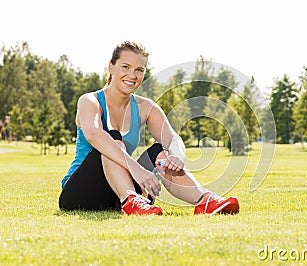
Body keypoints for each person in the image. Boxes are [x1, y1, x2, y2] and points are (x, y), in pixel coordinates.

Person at [59, 41, 239, 215]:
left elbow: (172, 138)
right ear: (111, 66)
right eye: (125, 67)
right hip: (80, 193)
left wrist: (176, 155)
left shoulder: (146, 107)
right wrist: (136, 170)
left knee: (161, 151)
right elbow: (94, 135)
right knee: (112, 137)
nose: (132, 75)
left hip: (117, 191)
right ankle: (131, 200)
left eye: (139, 70)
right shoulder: (90, 101)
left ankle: (204, 201)